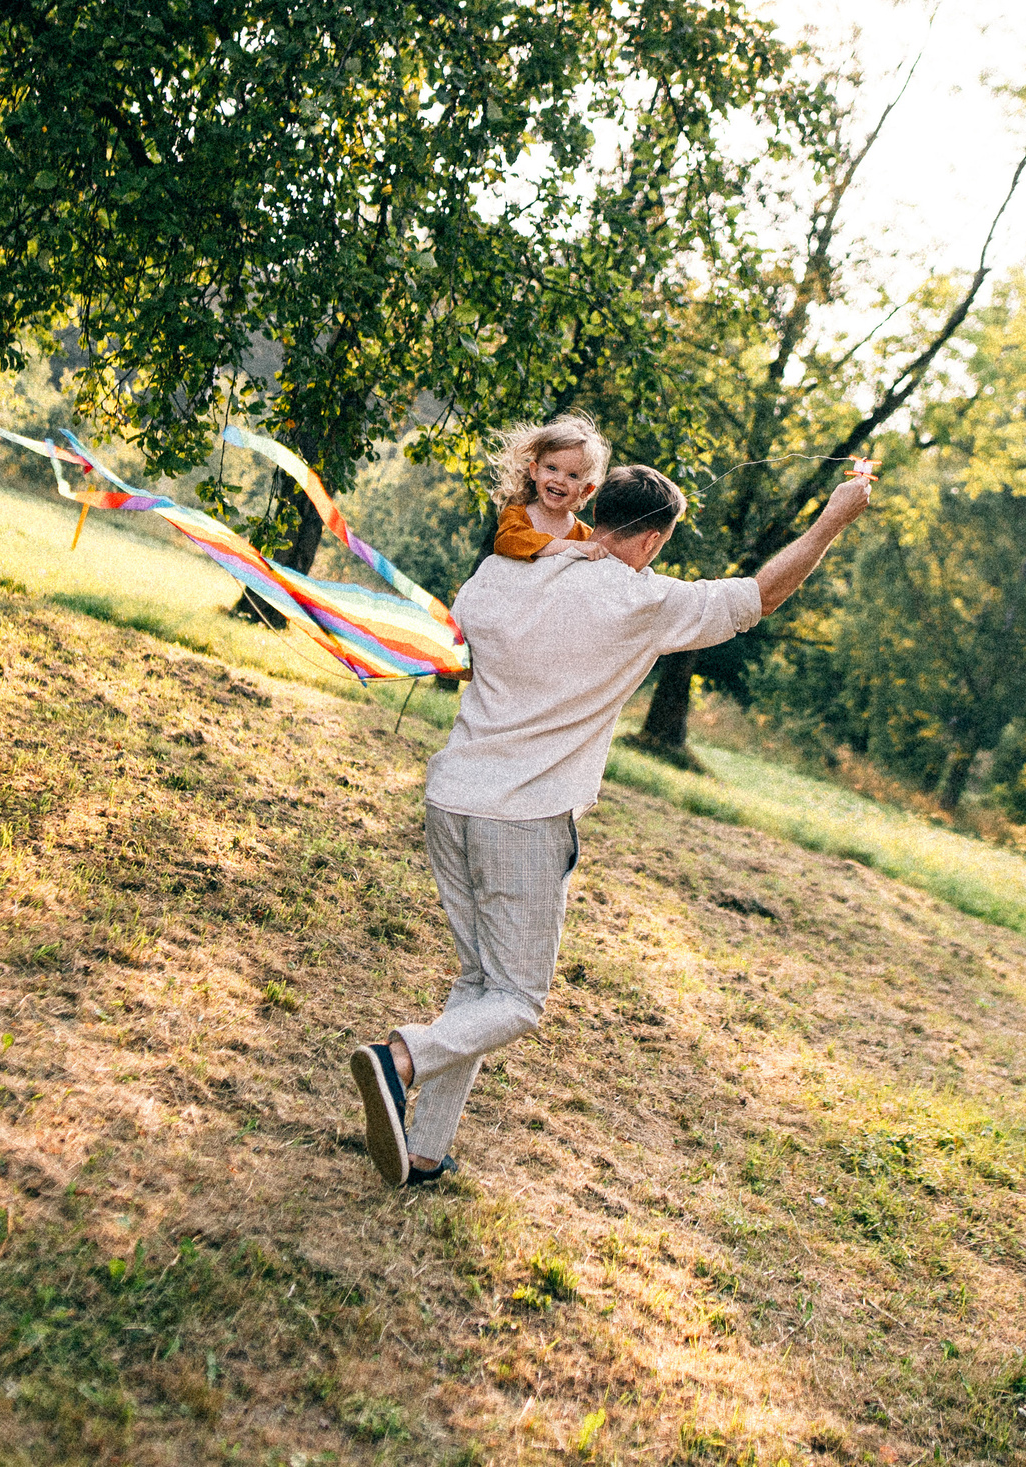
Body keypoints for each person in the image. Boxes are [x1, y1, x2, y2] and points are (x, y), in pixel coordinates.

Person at [349, 461, 876, 1187]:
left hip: (450, 797)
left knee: (480, 980)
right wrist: (835, 517)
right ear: (654, 540)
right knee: (517, 999)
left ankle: (425, 1151)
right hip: (524, 818)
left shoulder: (504, 567)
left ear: (599, 509)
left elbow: (451, 648)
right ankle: (399, 1058)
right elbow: (761, 595)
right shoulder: (643, 601)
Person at [488, 415, 610, 562]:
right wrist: (571, 547)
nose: (559, 480)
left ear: (586, 490)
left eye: (572, 475)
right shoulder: (515, 515)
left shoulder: (585, 536)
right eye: (552, 468)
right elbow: (508, 542)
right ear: (534, 470)